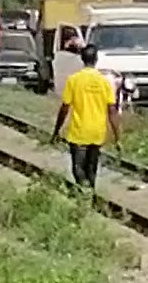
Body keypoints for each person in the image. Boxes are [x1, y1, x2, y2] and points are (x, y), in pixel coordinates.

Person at [51, 45, 121, 189]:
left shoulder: (74, 80)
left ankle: (84, 193)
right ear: (96, 59)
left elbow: (65, 108)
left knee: (78, 168)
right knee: (92, 167)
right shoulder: (104, 82)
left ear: (82, 59)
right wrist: (117, 137)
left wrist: (57, 130)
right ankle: (91, 192)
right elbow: (112, 111)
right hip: (97, 132)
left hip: (78, 132)